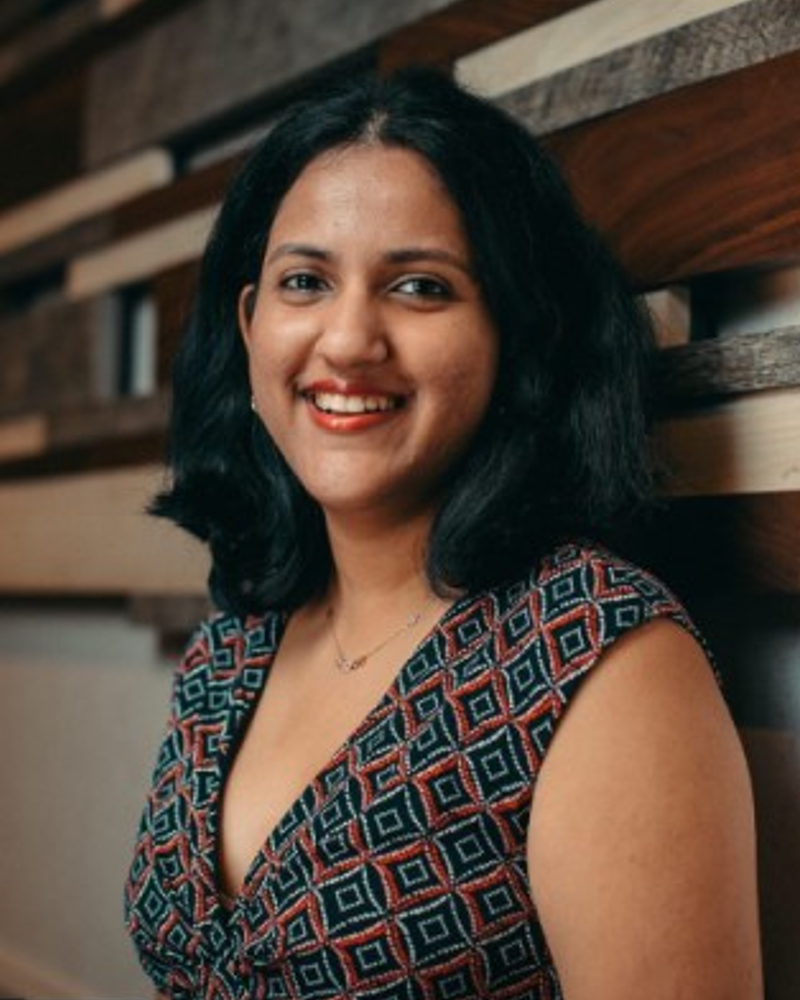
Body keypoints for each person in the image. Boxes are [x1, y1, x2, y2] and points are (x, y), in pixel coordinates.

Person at [124, 66, 762, 999]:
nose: (347, 340)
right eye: (305, 280)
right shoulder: (229, 651)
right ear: (251, 324)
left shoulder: (594, 655)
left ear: (517, 334)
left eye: (420, 287)